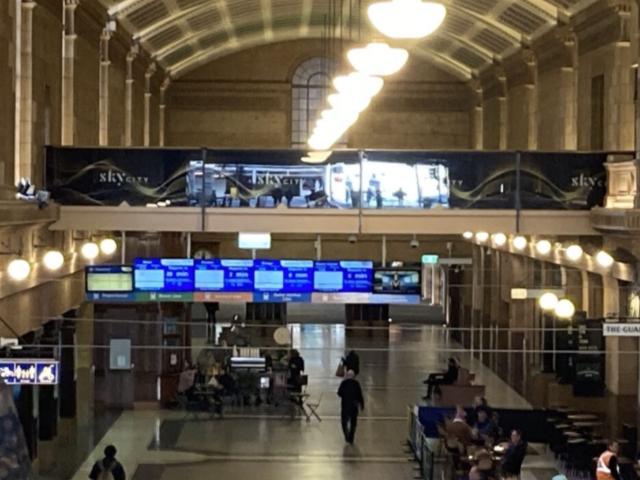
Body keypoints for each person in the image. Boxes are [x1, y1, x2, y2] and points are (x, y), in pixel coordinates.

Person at [337, 370, 364, 444]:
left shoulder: (344, 383)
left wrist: (345, 396)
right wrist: (362, 405)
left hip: (345, 406)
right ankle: (351, 437)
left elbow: (339, 393)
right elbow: (360, 395)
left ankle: (346, 435)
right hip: (354, 406)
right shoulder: (356, 384)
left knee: (344, 422)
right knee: (353, 423)